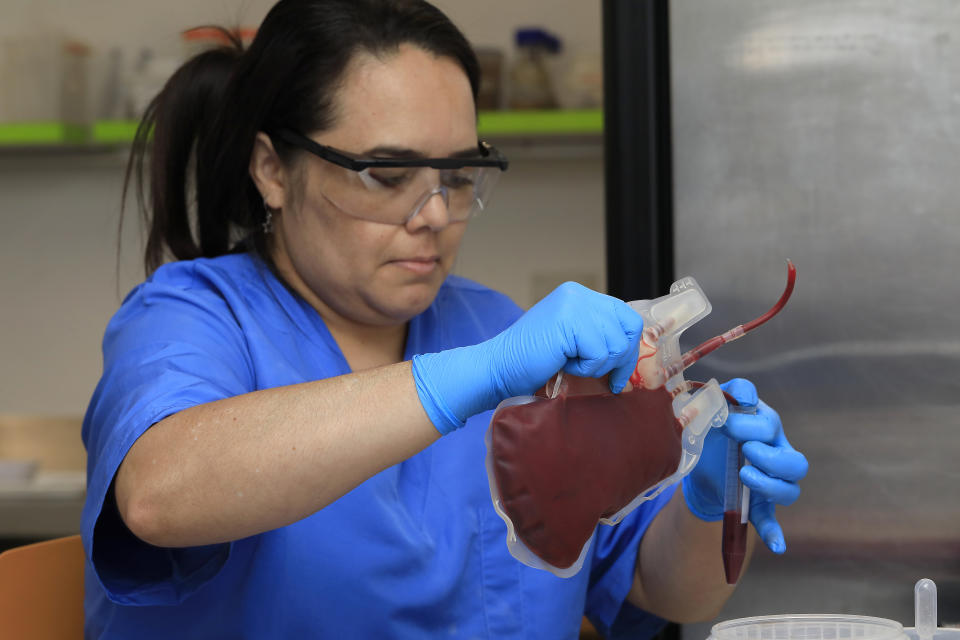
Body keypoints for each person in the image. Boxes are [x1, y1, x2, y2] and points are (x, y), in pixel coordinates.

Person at [80, 1, 808, 638]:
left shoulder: (493, 321)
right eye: (389, 176)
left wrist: (708, 502)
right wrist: (472, 375)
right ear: (272, 168)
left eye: (458, 177)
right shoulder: (192, 318)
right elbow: (157, 495)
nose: (433, 216)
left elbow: (655, 587)